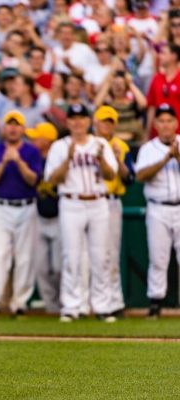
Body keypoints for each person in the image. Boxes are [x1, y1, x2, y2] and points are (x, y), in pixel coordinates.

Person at [44, 103, 118, 323]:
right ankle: (71, 306)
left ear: (88, 121)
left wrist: (101, 158)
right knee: (71, 256)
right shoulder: (60, 146)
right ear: (67, 122)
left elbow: (111, 175)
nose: (77, 122)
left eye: (81, 118)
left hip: (98, 201)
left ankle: (102, 306)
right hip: (71, 201)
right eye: (73, 118)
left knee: (100, 256)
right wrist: (67, 159)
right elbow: (51, 180)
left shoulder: (100, 143)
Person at [0, 111, 42, 319]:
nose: (13, 128)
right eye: (9, 124)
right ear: (4, 127)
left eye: (17, 125)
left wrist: (18, 162)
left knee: (25, 257)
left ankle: (20, 303)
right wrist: (3, 163)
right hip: (2, 206)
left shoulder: (31, 151)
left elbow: (33, 180)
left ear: (23, 128)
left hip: (26, 206)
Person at [135, 104, 180, 319]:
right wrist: (166, 158)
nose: (165, 125)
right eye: (161, 121)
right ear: (155, 124)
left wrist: (177, 156)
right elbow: (141, 176)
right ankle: (155, 302)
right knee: (158, 257)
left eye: (169, 120)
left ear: (176, 123)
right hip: (158, 207)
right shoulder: (148, 148)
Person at [93, 106, 135, 318]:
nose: (106, 125)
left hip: (110, 202)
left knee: (110, 254)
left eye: (110, 121)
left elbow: (130, 178)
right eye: (103, 121)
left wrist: (118, 160)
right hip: (89, 202)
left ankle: (114, 301)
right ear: (95, 122)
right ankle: (88, 302)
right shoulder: (87, 144)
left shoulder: (121, 146)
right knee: (86, 255)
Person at [26, 122, 62, 313]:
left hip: (58, 215)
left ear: (47, 140)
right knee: (40, 266)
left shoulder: (58, 159)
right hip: (37, 214)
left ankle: (64, 302)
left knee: (58, 267)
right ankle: (51, 306)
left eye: (36, 137)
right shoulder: (33, 158)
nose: (32, 140)